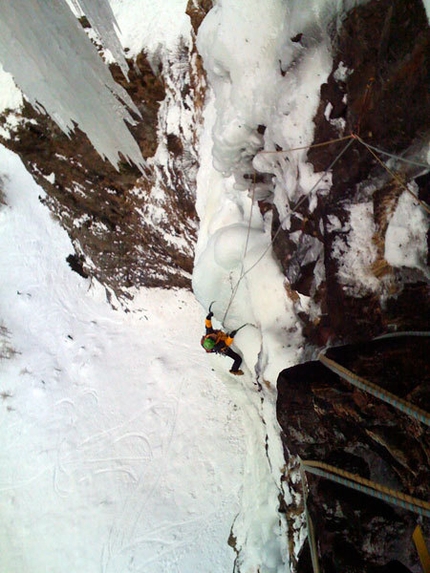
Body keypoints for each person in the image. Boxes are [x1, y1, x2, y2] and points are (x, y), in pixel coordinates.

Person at [201, 308, 244, 375]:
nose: (213, 335)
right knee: (238, 359)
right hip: (224, 349)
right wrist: (231, 336)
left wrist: (208, 317)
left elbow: (208, 324)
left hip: (221, 339)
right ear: (215, 341)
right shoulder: (219, 345)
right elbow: (227, 342)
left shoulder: (209, 334)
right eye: (214, 338)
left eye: (212, 336)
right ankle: (234, 370)